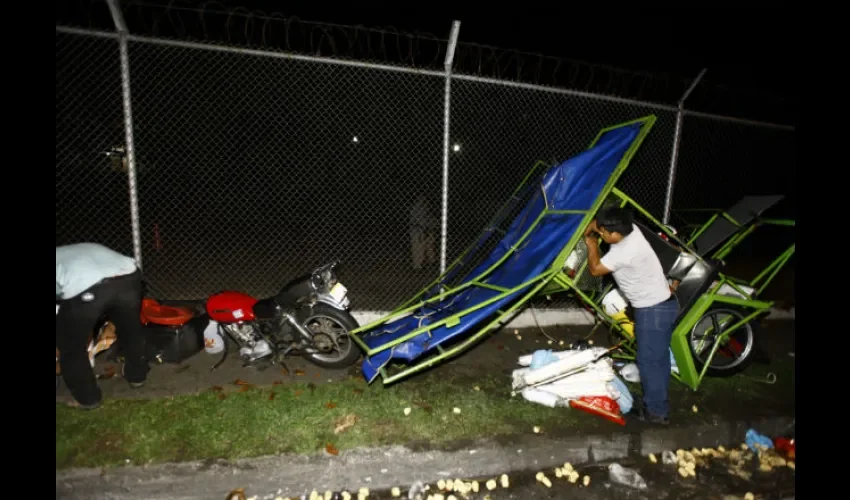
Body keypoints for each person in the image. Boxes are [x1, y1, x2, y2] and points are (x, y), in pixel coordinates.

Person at [582, 207, 679, 425]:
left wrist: (591, 244)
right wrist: (592, 228)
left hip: (653, 310)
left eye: (605, 233)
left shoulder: (625, 251)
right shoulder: (630, 229)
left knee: (648, 362)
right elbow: (600, 226)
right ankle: (656, 403)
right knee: (659, 360)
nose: (602, 235)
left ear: (614, 234)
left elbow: (596, 269)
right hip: (662, 306)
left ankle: (656, 413)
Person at [56, 243, 149, 409]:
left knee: (71, 345)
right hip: (130, 276)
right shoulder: (69, 252)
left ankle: (88, 398)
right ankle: (137, 376)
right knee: (130, 331)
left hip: (91, 286)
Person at [409, 194, 438, 270]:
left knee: (429, 246)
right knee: (418, 247)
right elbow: (419, 220)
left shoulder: (427, 208)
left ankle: (429, 262)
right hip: (419, 230)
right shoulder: (417, 208)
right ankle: (418, 265)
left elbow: (431, 220)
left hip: (427, 229)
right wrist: (425, 228)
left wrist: (431, 227)